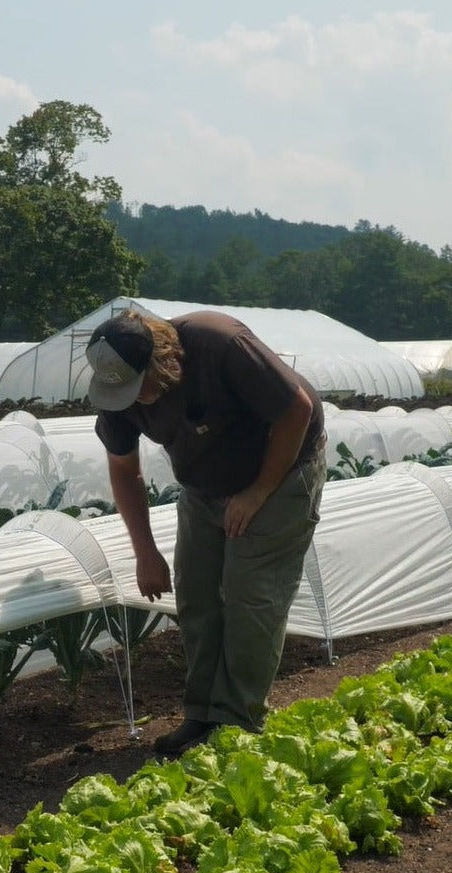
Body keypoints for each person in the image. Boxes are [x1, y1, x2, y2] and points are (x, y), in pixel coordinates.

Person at [85, 307, 326, 755]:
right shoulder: (118, 394)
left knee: (250, 598)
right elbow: (124, 471)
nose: (135, 402)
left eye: (141, 389)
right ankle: (201, 715)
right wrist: (145, 552)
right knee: (197, 595)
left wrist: (257, 493)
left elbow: (297, 409)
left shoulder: (219, 344)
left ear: (164, 362)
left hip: (281, 470)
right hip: (203, 484)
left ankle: (236, 724)